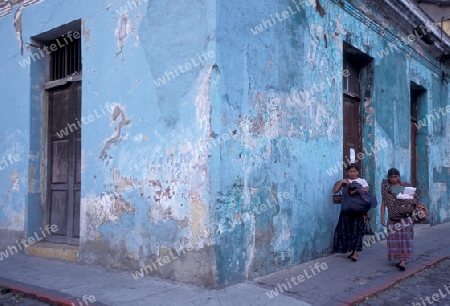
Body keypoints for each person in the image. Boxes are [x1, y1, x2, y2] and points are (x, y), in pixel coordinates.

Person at [380, 168, 416, 271]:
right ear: (388, 178)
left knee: (406, 239)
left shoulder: (405, 187)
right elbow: (383, 204)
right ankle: (399, 258)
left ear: (399, 177)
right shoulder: (387, 190)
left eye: (395, 176)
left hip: (406, 218)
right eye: (391, 177)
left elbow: (413, 200)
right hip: (392, 218)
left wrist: (414, 202)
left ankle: (404, 261)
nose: (393, 179)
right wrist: (382, 217)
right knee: (394, 239)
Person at [333, 164, 370, 261]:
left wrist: (366, 212)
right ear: (347, 172)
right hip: (346, 211)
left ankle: (356, 253)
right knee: (346, 232)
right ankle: (352, 251)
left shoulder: (362, 181)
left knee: (358, 232)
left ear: (358, 172)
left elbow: (366, 196)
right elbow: (335, 191)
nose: (353, 173)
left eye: (355, 171)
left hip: (359, 212)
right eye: (350, 171)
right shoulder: (344, 182)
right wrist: (341, 182)